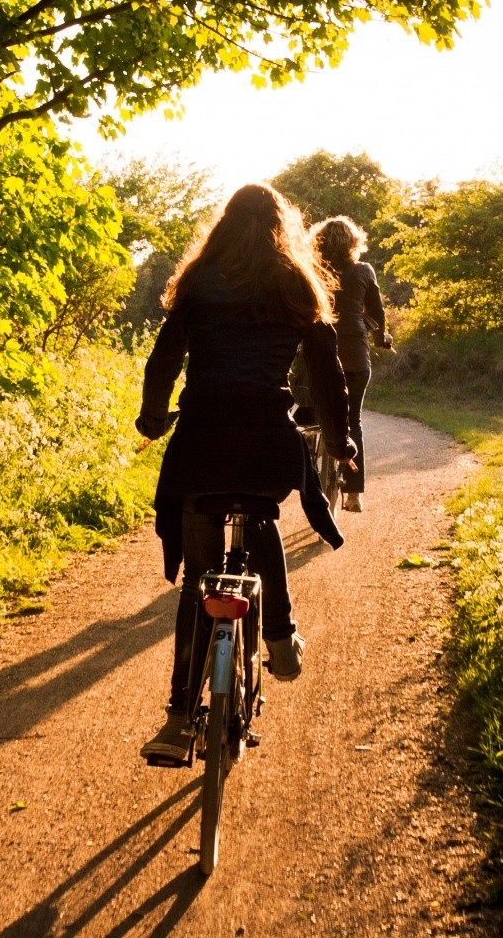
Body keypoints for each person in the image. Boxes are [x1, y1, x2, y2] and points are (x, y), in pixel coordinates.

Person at [134, 184, 354, 765]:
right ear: (285, 228)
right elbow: (328, 377)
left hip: (202, 439)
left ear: (223, 226)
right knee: (261, 512)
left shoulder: (200, 282)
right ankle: (279, 637)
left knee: (198, 579)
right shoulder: (297, 285)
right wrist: (340, 441)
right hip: (267, 441)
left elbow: (163, 361)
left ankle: (180, 719)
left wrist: (154, 419)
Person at [312, 216, 392, 513]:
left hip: (315, 358)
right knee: (351, 421)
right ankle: (354, 494)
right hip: (353, 358)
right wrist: (378, 334)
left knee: (309, 413)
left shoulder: (311, 271)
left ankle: (308, 459)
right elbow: (377, 313)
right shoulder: (363, 271)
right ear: (353, 243)